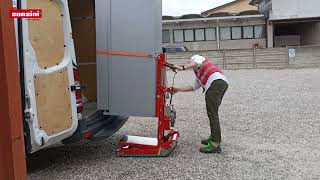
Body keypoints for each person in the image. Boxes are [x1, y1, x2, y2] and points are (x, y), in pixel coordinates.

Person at [172, 55, 228, 153]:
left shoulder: (196, 58)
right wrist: (178, 89)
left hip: (215, 84)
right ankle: (214, 137)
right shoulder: (198, 74)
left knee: (212, 114)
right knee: (213, 113)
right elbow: (193, 87)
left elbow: (196, 62)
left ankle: (215, 144)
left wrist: (182, 68)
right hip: (221, 83)